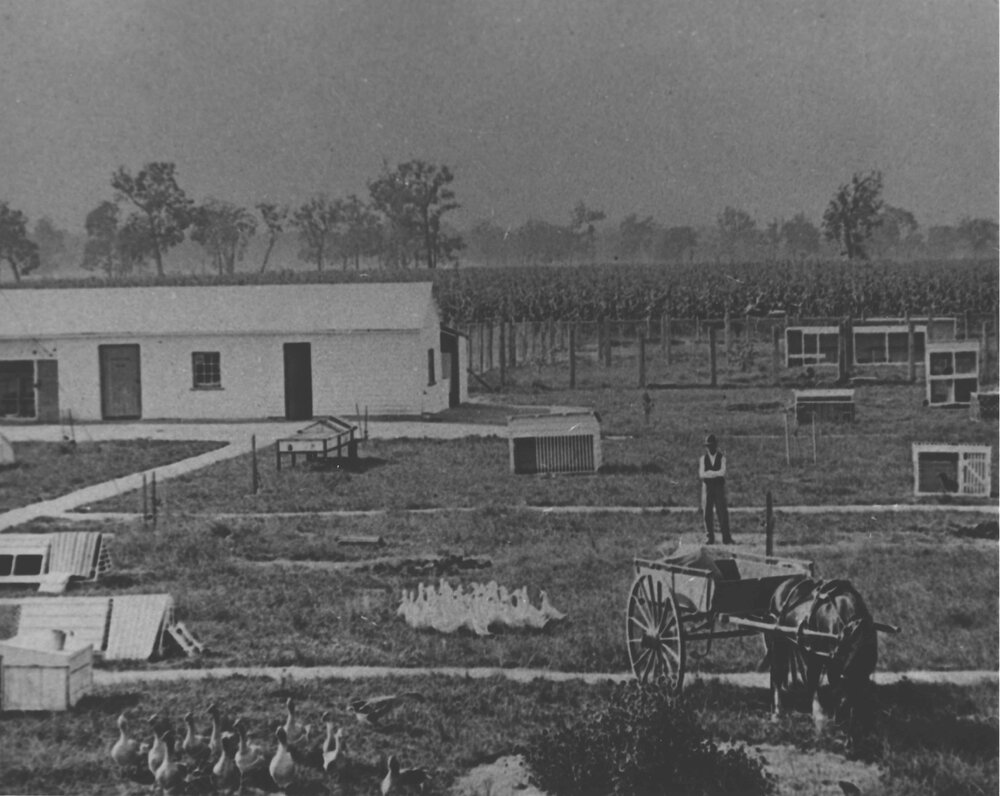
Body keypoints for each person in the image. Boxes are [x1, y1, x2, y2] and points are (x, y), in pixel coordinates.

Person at [699, 434, 733, 544]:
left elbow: (722, 472)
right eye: (708, 446)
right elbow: (702, 474)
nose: (710, 448)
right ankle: (709, 537)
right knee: (707, 512)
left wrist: (710, 474)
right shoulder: (703, 459)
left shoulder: (721, 457)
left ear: (716, 445)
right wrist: (714, 474)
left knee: (722, 512)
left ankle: (726, 537)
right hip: (707, 487)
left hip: (718, 487)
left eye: (712, 445)